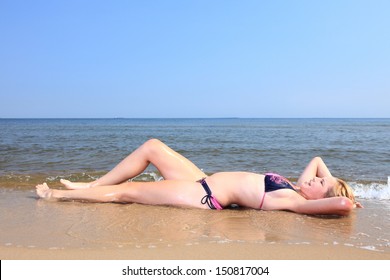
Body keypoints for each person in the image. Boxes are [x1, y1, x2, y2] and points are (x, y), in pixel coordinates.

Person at [36, 138, 362, 216]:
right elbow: (318, 160)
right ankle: (91, 185)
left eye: (320, 184)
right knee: (153, 147)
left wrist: (346, 198)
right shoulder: (294, 186)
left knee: (128, 192)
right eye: (319, 179)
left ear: (320, 199)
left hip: (203, 196)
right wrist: (330, 182)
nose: (316, 179)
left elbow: (343, 205)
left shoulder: (294, 202)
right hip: (202, 179)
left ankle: (57, 196)